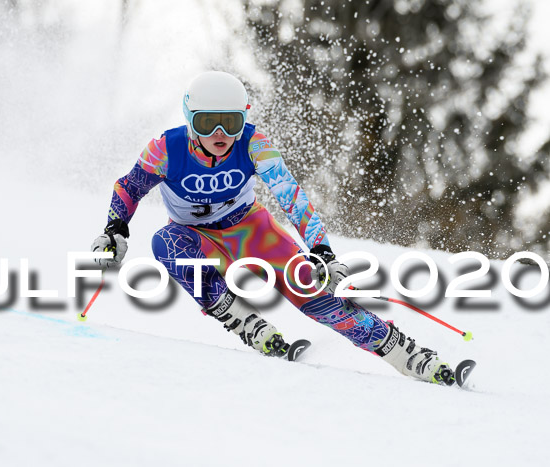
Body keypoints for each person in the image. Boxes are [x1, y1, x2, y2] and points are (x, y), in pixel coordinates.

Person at [92, 71, 454, 385]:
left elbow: (291, 198)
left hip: (251, 229)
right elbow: (129, 187)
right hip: (196, 237)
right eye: (208, 123)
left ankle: (406, 354)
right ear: (190, 119)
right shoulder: (165, 149)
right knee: (165, 242)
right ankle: (243, 322)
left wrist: (322, 252)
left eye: (230, 122)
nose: (220, 133)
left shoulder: (253, 144)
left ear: (243, 119)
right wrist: (115, 229)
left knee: (315, 295)